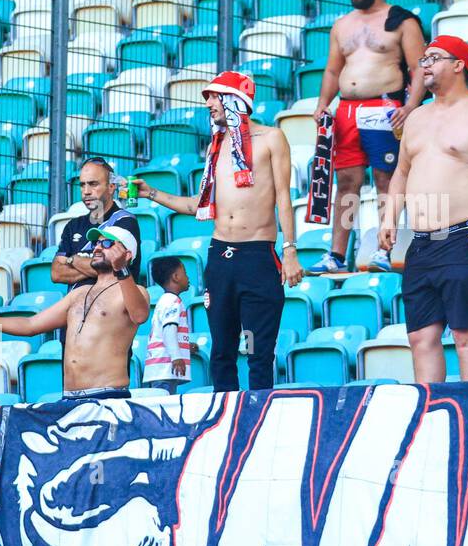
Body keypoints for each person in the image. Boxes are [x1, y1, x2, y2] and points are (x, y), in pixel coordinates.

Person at [133, 72, 302, 391]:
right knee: (222, 351)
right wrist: (151, 193)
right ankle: (226, 421)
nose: (208, 103)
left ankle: (257, 416)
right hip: (221, 260)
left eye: (214, 96)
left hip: (257, 258)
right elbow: (199, 204)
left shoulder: (271, 138)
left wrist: (290, 249)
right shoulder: (215, 148)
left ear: (236, 99)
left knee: (255, 351)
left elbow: (283, 197)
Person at [379, 35, 468, 383]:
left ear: (458, 65)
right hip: (423, 241)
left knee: (465, 333)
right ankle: (431, 413)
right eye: (424, 58)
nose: (424, 64)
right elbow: (401, 172)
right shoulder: (415, 118)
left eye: (435, 58)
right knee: (420, 337)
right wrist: (389, 218)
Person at [309, 0, 428, 274]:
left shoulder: (402, 21)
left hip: (385, 106)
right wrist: (323, 103)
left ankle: (383, 250)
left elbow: (419, 69)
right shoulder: (342, 25)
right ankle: (336, 254)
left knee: (385, 180)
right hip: (347, 108)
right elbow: (333, 70)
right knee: (346, 181)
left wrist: (411, 106)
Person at [0, 224, 149, 399]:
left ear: (128, 254)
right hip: (70, 397)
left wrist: (121, 269)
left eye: (107, 243)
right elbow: (30, 325)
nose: (98, 248)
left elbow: (139, 315)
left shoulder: (136, 290)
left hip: (107, 396)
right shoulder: (78, 293)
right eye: (96, 244)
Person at [52, 159, 143, 293]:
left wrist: (73, 260)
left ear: (111, 187)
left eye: (93, 184)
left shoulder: (125, 221)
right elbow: (56, 273)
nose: (86, 191)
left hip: (112, 307)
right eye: (82, 185)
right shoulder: (73, 226)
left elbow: (113, 269)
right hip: (77, 308)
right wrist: (98, 267)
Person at [143, 256, 192, 393]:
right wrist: (176, 357)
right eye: (185, 273)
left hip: (160, 370)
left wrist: (186, 348)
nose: (188, 278)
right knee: (164, 406)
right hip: (165, 369)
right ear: (176, 277)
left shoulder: (164, 300)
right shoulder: (172, 301)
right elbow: (169, 330)